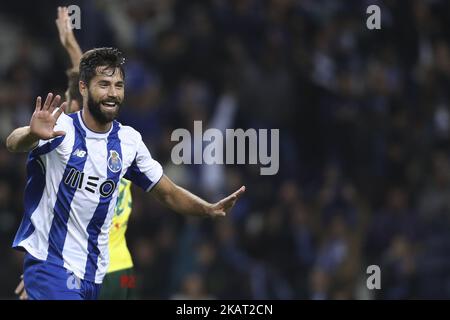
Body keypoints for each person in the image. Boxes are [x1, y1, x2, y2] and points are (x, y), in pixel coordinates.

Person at [6, 45, 245, 299]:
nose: (112, 93)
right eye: (104, 84)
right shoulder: (62, 128)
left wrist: (207, 208)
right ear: (84, 88)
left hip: (93, 275)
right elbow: (13, 142)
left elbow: (168, 193)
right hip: (50, 265)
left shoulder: (128, 142)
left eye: (118, 86)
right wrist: (31, 133)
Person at [15, 7, 138, 300]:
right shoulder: (123, 143)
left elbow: (87, 81)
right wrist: (71, 44)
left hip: (81, 267)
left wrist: (71, 44)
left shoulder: (77, 137)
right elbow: (86, 80)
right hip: (122, 272)